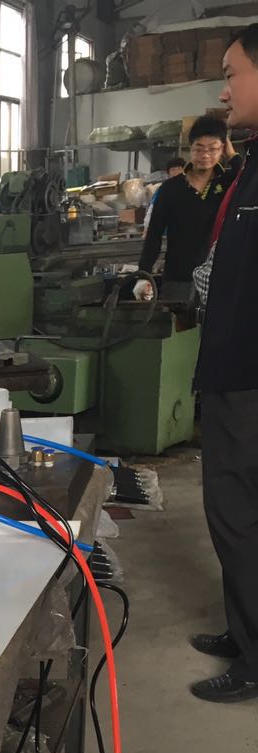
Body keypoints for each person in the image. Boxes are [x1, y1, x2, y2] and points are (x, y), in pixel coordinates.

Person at [189, 26, 258, 702]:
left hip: (248, 377)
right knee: (230, 514)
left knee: (241, 515)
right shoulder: (250, 166)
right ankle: (244, 631)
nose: (224, 90)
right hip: (229, 370)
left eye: (233, 74)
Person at [139, 117, 239, 283]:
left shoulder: (228, 183)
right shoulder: (171, 188)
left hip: (218, 276)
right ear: (190, 148)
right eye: (198, 149)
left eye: (213, 149)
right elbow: (154, 235)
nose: (205, 155)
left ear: (222, 149)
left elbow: (250, 178)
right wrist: (143, 275)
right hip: (178, 277)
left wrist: (233, 156)